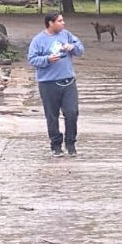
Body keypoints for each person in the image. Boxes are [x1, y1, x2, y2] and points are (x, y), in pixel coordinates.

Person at [27, 13, 84, 157]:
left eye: (63, 20)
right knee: (52, 115)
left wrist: (73, 47)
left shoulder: (66, 35)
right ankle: (56, 145)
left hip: (68, 80)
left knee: (72, 112)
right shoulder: (38, 40)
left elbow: (80, 49)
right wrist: (47, 59)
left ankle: (70, 143)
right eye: (60, 21)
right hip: (48, 83)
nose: (63, 23)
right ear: (50, 23)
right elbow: (32, 59)